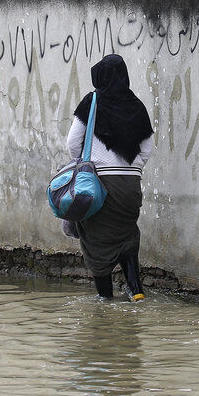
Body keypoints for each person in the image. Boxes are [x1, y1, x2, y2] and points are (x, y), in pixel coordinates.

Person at [67, 54, 154, 301]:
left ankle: (105, 300)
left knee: (95, 240)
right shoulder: (137, 106)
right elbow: (147, 147)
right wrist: (132, 168)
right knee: (126, 234)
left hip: (101, 184)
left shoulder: (92, 101)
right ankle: (135, 290)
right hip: (131, 187)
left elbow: (73, 143)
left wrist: (86, 166)